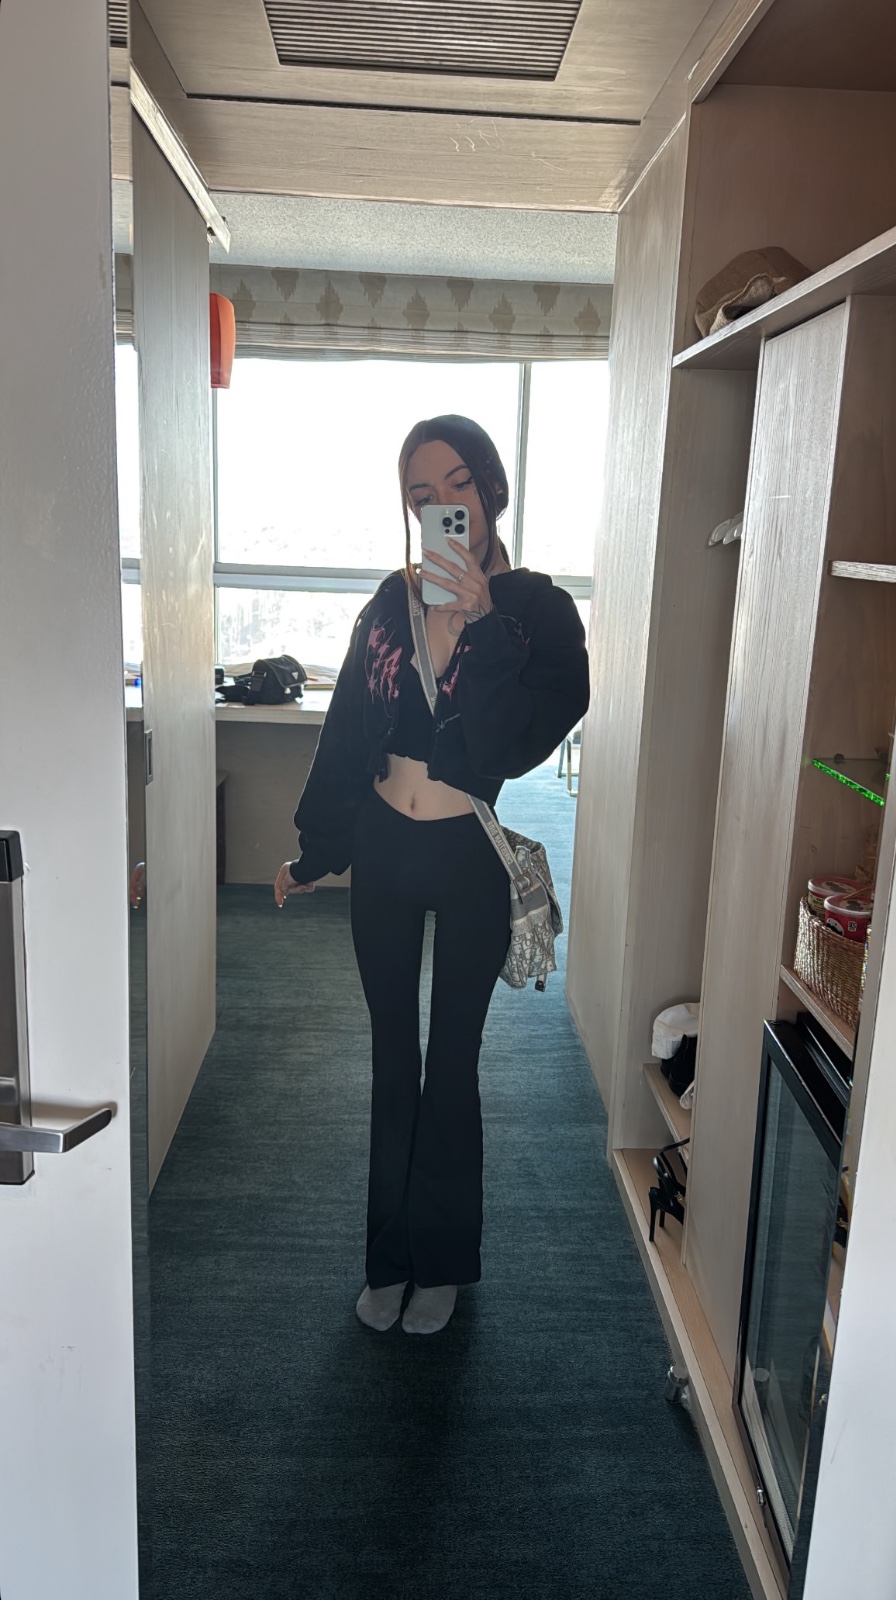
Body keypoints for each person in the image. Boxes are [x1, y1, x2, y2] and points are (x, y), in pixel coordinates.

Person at [273, 414, 590, 1336]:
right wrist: (317, 851)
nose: (444, 506)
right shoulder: (389, 602)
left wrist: (479, 631)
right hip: (383, 848)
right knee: (391, 1058)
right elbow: (347, 731)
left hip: (468, 856)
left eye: (458, 484)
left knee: (451, 1062)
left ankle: (442, 1263)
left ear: (491, 490)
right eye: (423, 495)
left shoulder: (538, 613)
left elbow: (510, 748)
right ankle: (389, 1258)